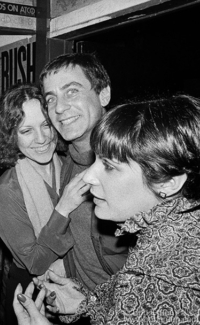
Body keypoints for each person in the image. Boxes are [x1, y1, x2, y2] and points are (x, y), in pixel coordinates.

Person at [15, 95, 200, 324]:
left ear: (168, 182)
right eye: (96, 160)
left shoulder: (155, 280)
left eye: (110, 166)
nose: (90, 176)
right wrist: (88, 304)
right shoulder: (176, 230)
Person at [0, 83, 90, 325]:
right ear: (10, 137)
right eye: (26, 130)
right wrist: (64, 208)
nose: (41, 139)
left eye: (46, 125)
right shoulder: (8, 190)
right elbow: (36, 263)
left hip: (77, 286)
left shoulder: (69, 164)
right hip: (33, 295)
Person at [39, 53, 133, 293]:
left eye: (72, 91)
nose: (59, 108)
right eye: (51, 99)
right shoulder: (69, 160)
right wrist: (68, 270)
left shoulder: (134, 162)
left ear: (104, 95)